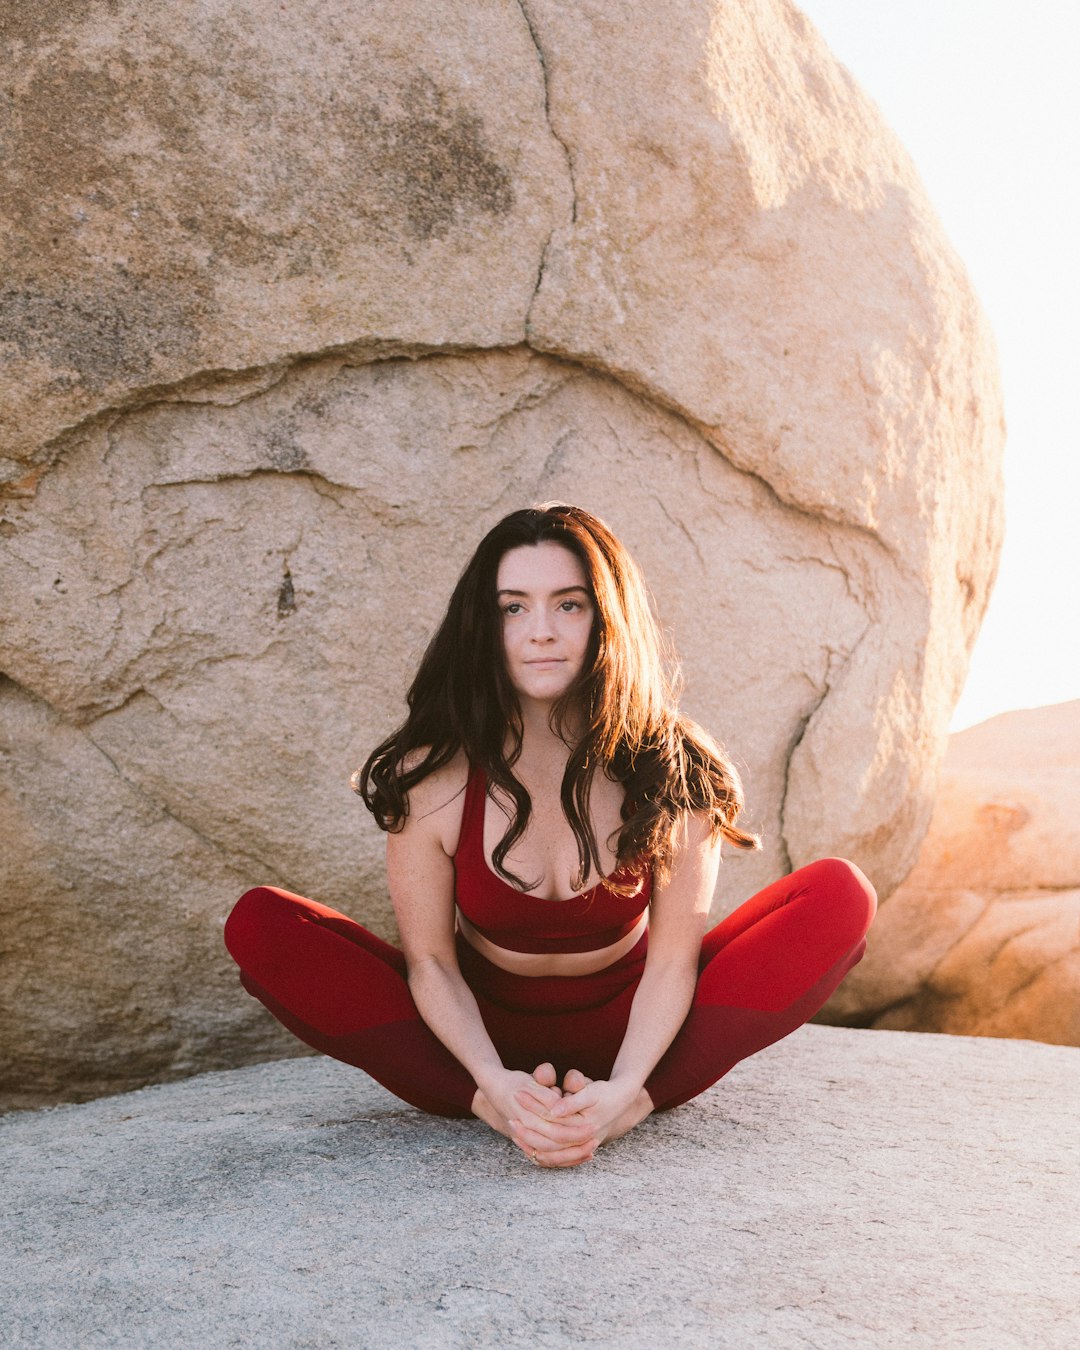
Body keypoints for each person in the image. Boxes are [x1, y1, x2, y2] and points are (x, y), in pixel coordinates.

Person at [224, 503, 876, 1169]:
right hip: (481, 1036)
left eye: (568, 605)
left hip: (640, 1030)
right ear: (484, 623)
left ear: (605, 618)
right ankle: (494, 1107)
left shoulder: (670, 769)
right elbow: (432, 965)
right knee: (260, 925)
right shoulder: (436, 778)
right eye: (513, 608)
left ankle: (630, 1104)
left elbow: (673, 965)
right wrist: (491, 1086)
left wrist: (626, 1091)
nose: (541, 632)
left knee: (841, 896)